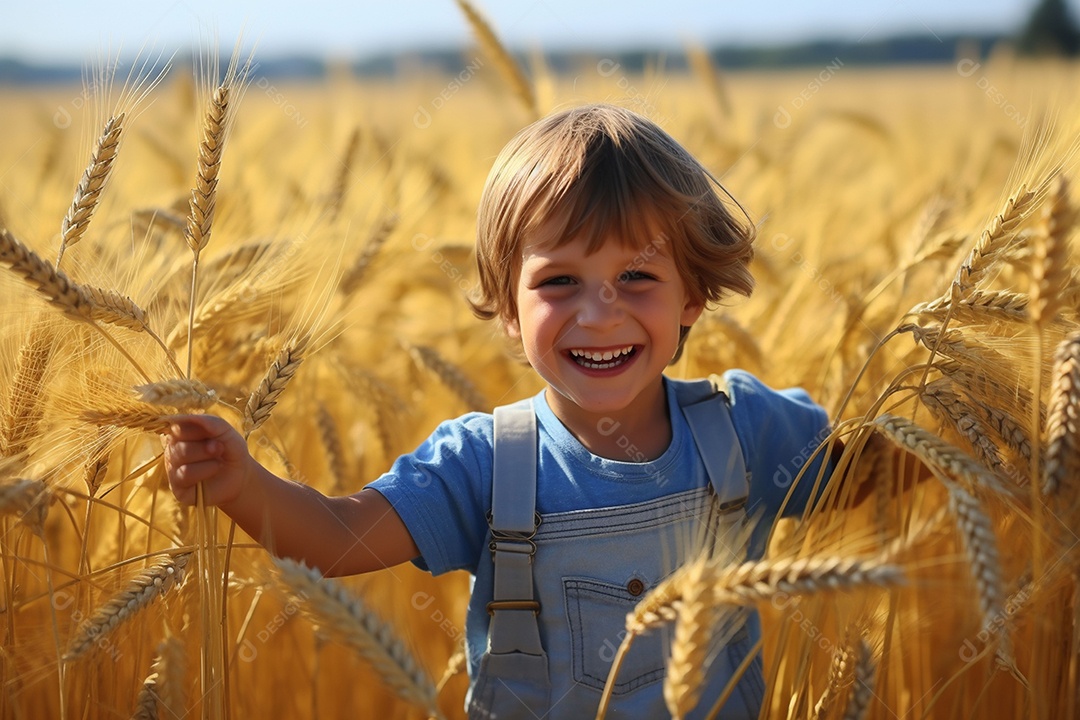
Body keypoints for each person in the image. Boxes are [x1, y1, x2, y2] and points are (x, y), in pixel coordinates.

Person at [163, 103, 836, 719]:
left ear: (691, 296)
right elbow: (340, 540)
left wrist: (937, 412)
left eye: (637, 276)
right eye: (559, 281)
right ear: (509, 309)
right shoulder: (485, 463)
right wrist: (243, 486)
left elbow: (870, 469)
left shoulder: (746, 428)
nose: (600, 314)